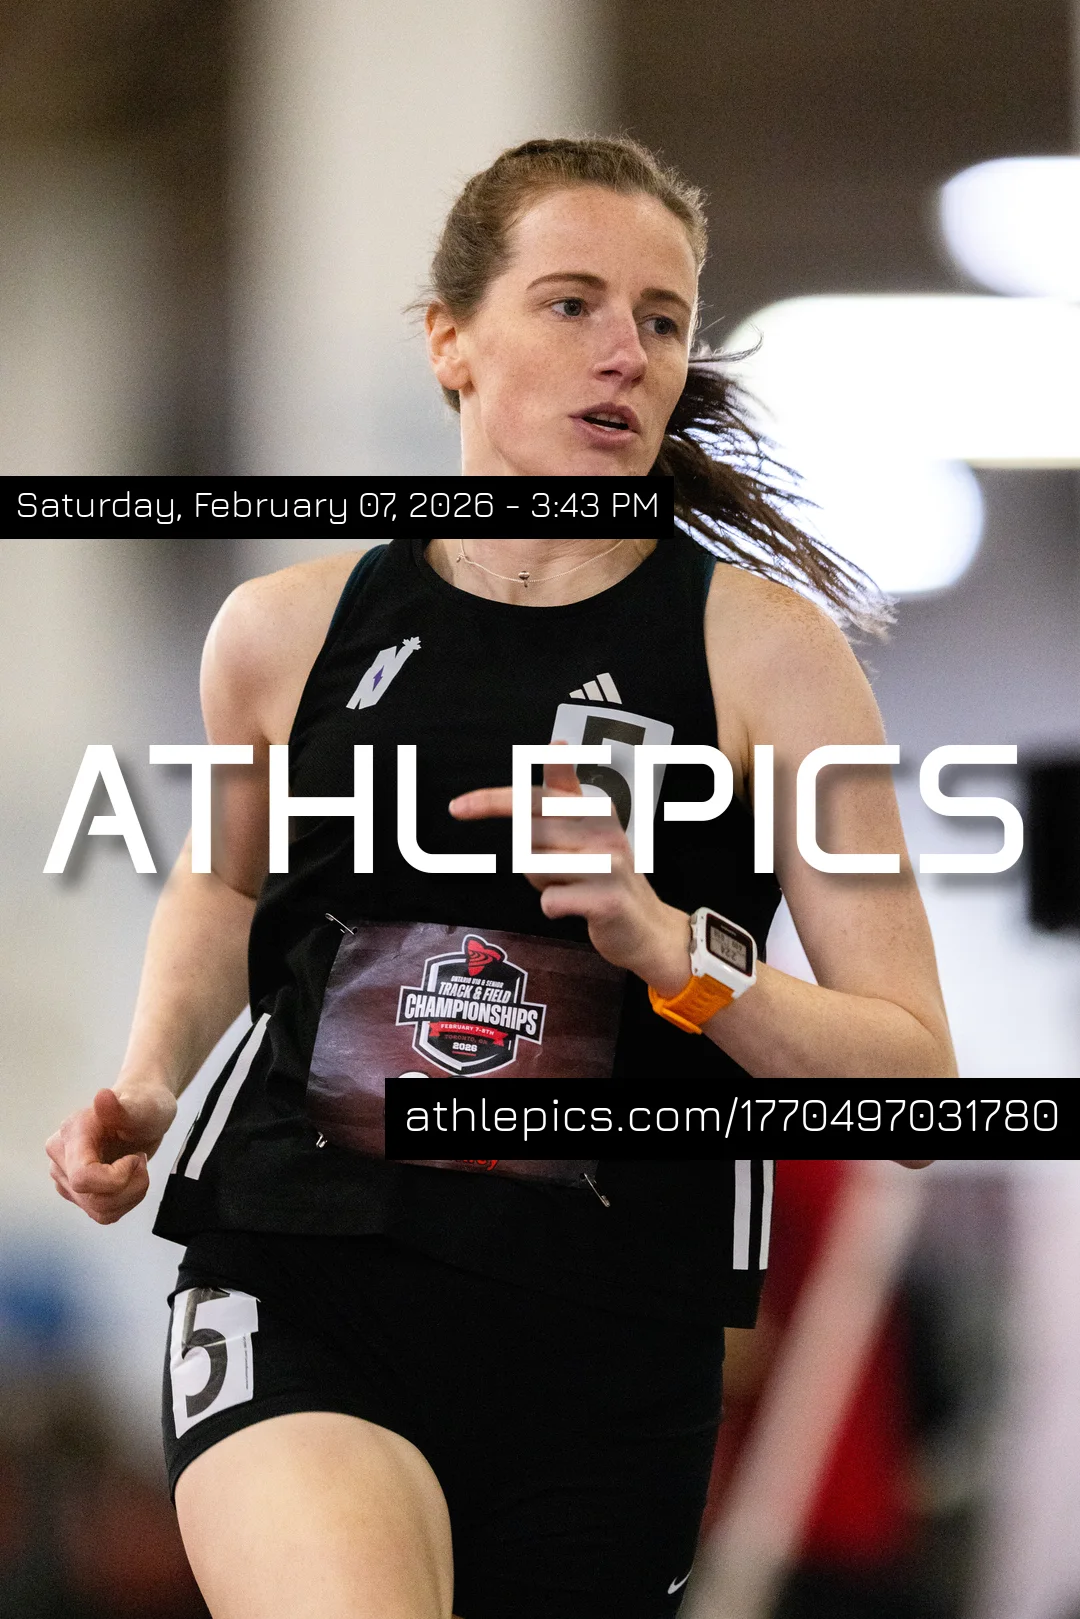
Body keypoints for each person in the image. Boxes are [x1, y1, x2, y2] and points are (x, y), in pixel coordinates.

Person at [45, 136, 947, 1619]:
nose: (626, 353)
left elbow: (914, 1087)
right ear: (450, 341)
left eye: (662, 319)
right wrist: (149, 1081)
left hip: (611, 1339)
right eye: (572, 303)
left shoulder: (769, 659)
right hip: (303, 1267)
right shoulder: (285, 632)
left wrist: (678, 951)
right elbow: (223, 885)